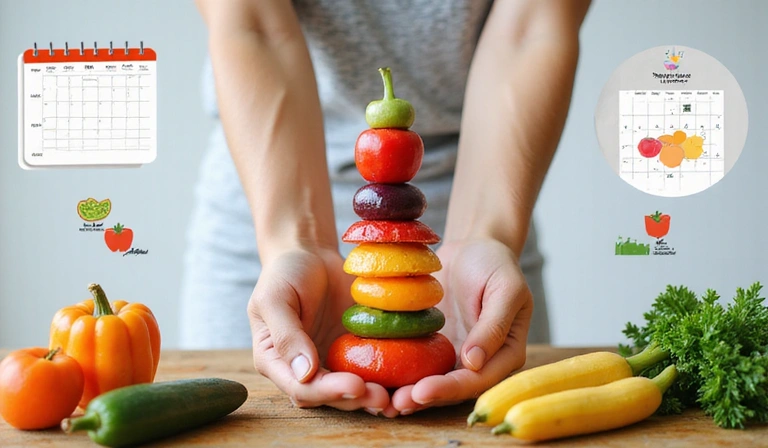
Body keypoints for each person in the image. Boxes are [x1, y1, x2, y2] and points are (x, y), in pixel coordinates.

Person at [182, 0, 591, 418]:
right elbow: (254, 25)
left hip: (489, 211)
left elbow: (530, 28)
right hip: (269, 206)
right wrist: (295, 242)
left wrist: (485, 236)